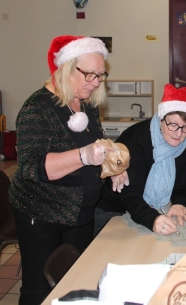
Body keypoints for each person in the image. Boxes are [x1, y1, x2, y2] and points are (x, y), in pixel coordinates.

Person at [9, 35, 127, 305]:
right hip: (42, 213)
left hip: (80, 213)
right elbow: (31, 167)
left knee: (76, 279)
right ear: (66, 67)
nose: (96, 82)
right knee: (39, 290)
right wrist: (82, 156)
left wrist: (113, 167)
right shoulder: (37, 109)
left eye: (101, 75)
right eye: (90, 74)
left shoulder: (87, 102)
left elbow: (99, 143)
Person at [95, 83, 186, 235]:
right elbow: (130, 194)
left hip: (150, 209)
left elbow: (185, 184)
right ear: (161, 118)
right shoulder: (137, 141)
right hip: (113, 209)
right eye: (172, 125)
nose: (178, 134)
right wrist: (152, 219)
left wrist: (180, 202)